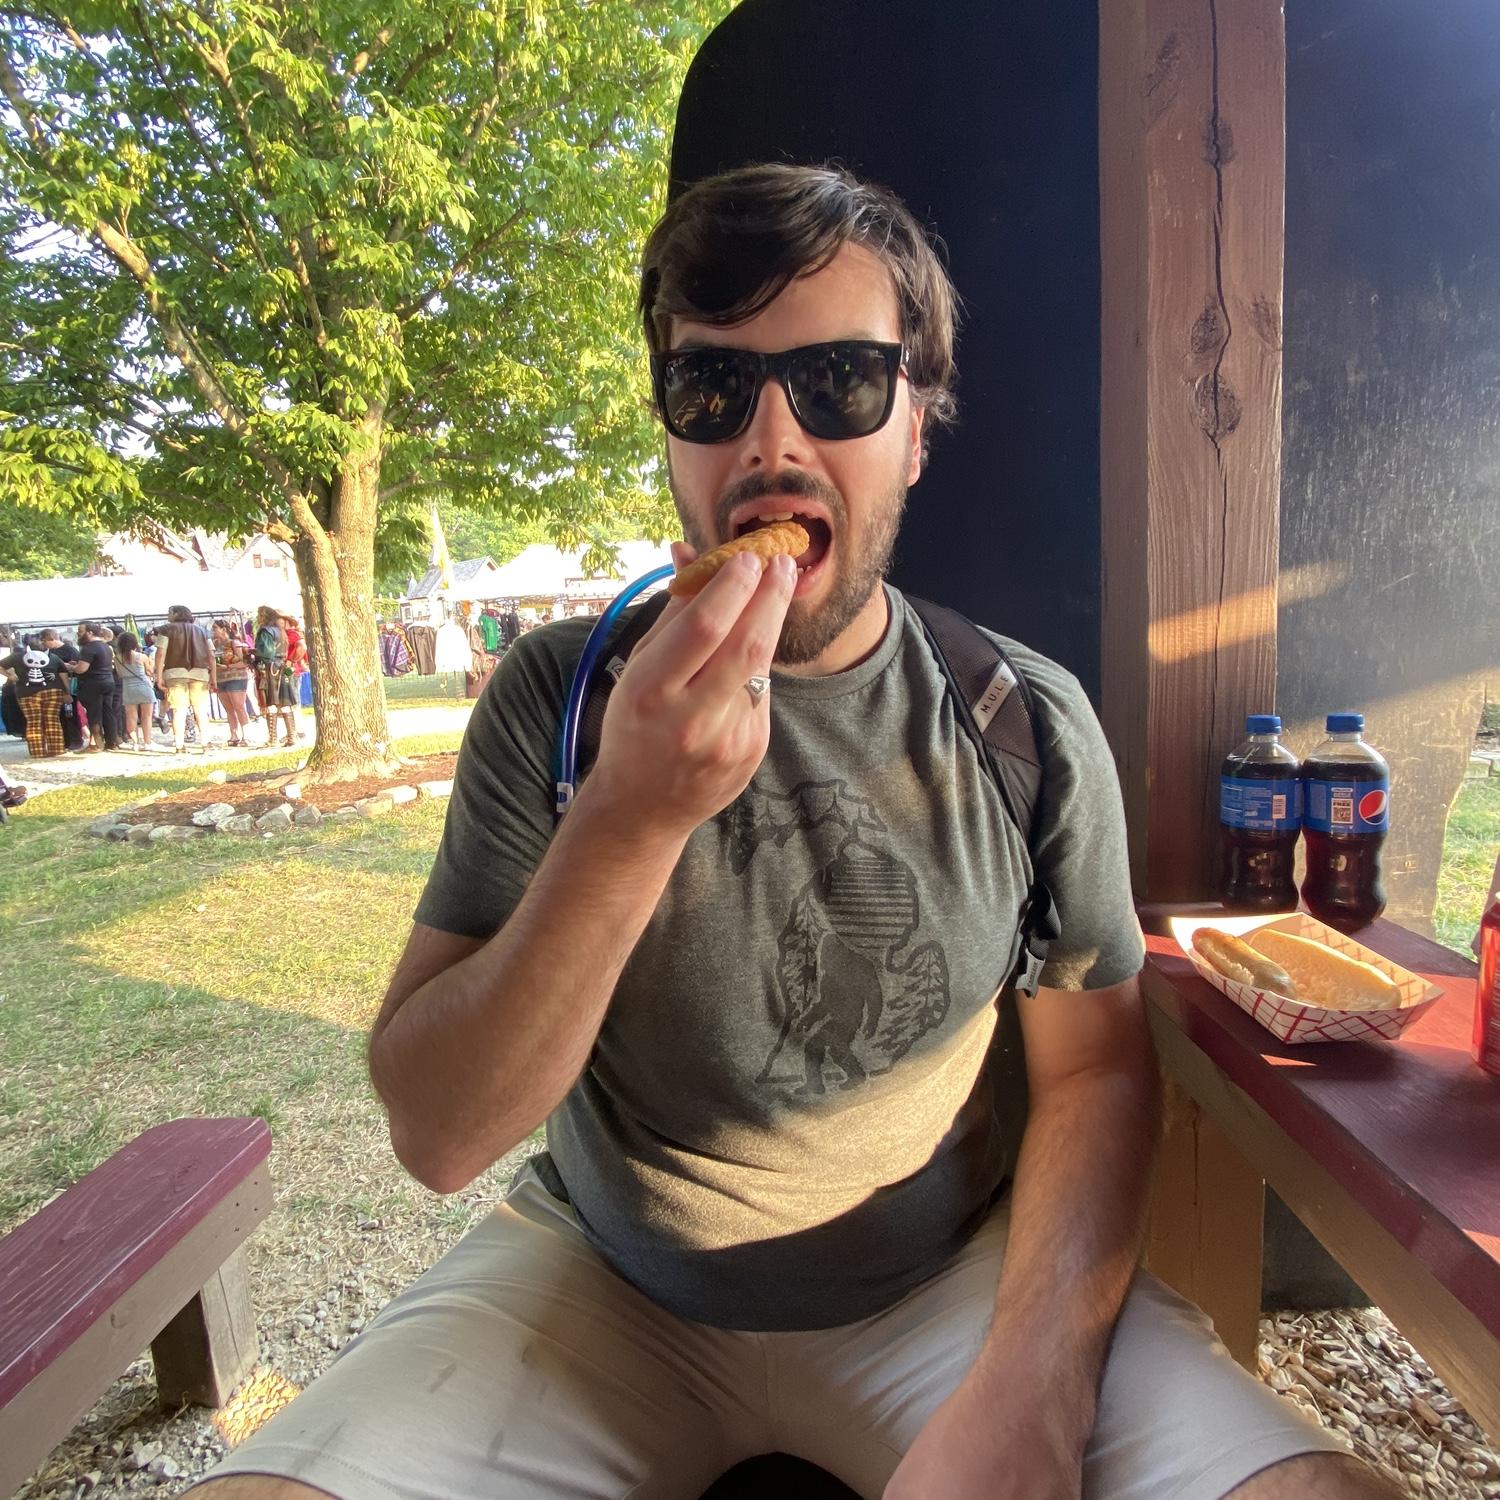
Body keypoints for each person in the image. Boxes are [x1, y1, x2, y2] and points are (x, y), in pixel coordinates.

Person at [196, 165, 1399, 1500]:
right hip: (601, 1277)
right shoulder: (560, 697)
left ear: (917, 430)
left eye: (839, 383)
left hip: (947, 1285)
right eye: (714, 389)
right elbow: (435, 1132)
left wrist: (1034, 1391)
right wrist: (627, 818)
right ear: (669, 432)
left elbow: (1096, 1077)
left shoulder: (1025, 724)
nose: (773, 442)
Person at [155, 604, 218, 754]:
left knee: (179, 710)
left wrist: (158, 677)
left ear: (176, 614)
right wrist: (213, 676)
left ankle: (179, 745)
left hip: (175, 672)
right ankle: (205, 744)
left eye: (169, 612)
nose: (167, 615)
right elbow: (211, 656)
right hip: (200, 673)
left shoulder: (166, 629)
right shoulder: (203, 631)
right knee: (201, 710)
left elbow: (160, 654)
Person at [0, 634, 69, 758]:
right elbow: (63, 675)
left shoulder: (17, 657)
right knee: (52, 720)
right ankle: (57, 749)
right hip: (53, 691)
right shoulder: (53, 657)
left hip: (27, 693)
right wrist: (67, 692)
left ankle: (38, 752)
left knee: (33, 722)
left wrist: (9, 676)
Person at [68, 620, 122, 753]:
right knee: (108, 712)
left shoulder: (89, 647)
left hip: (93, 684)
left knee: (94, 714)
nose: (78, 634)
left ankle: (95, 744)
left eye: (81, 631)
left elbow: (81, 669)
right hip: (108, 681)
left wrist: (70, 666)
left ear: (89, 632)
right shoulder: (106, 646)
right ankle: (112, 742)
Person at [253, 605, 297, 747]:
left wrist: (253, 653)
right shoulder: (281, 631)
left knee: (271, 702)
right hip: (282, 666)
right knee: (285, 702)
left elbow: (266, 653)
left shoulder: (265, 631)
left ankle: (273, 739)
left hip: (270, 668)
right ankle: (292, 736)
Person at [211, 619, 254, 747]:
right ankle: (234, 734)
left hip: (236, 677)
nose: (213, 631)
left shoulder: (234, 643)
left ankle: (247, 734)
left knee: (239, 706)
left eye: (215, 628)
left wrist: (228, 666)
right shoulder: (214, 645)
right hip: (220, 678)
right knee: (228, 708)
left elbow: (244, 662)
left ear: (224, 629)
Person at [114, 632, 157, 751]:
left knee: (131, 717)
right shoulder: (141, 656)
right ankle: (147, 742)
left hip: (127, 688)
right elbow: (149, 672)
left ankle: (135, 743)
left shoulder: (117, 657)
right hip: (144, 686)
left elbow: (119, 673)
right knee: (146, 717)